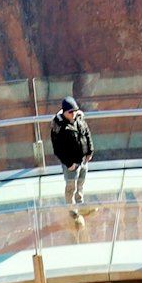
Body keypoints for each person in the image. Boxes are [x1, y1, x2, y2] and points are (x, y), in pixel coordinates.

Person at [50, 96, 94, 225]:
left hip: (82, 160)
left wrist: (90, 151)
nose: (73, 114)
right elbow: (57, 149)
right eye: (70, 112)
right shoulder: (59, 126)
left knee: (80, 184)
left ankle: (80, 205)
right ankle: (72, 211)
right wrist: (69, 163)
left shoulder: (79, 118)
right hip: (71, 164)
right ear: (64, 112)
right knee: (71, 187)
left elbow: (87, 133)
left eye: (74, 111)